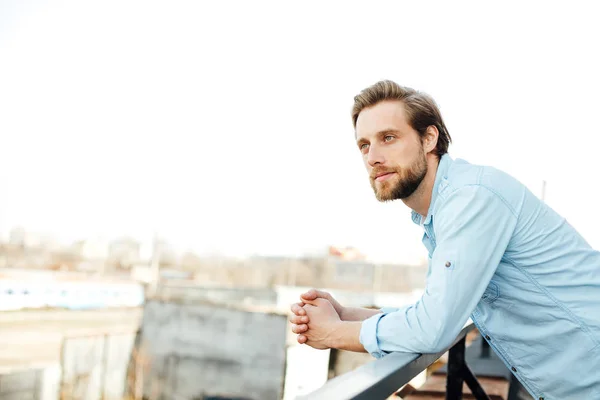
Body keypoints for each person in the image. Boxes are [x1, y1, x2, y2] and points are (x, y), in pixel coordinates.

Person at [289, 80, 600, 399]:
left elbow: (433, 328)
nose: (373, 157)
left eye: (389, 137)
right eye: (364, 145)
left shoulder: (472, 198)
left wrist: (333, 333)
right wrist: (346, 314)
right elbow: (436, 310)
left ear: (429, 138)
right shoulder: (444, 212)